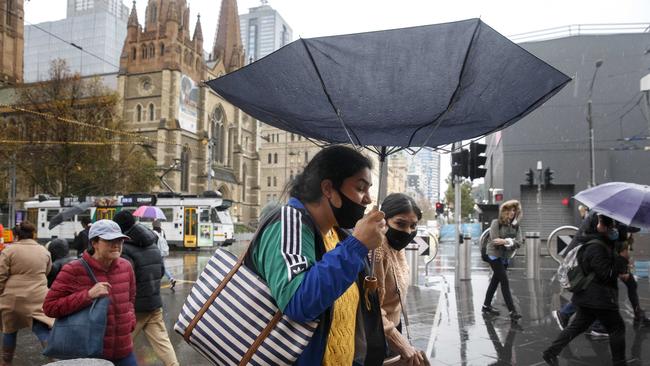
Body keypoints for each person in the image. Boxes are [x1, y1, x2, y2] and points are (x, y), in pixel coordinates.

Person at [245, 145, 387, 366]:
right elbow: (297, 302)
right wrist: (357, 245)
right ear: (328, 189)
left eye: (369, 189)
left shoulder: (338, 233)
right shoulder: (288, 223)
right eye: (360, 188)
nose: (367, 199)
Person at [44, 220, 137, 365]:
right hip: (91, 352)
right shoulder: (73, 269)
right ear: (94, 243)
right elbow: (50, 307)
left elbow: (130, 298)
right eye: (110, 240)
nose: (117, 245)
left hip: (123, 350)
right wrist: (87, 295)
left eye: (120, 240)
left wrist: (130, 320)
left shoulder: (126, 267)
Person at [542, 214, 629, 366]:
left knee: (576, 327)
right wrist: (621, 259)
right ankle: (619, 362)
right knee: (617, 328)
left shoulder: (598, 242)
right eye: (607, 225)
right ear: (600, 227)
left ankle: (550, 352)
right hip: (599, 297)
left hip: (587, 297)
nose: (612, 228)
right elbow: (605, 273)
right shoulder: (595, 246)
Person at [552, 212, 650, 333]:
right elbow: (600, 233)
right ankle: (592, 323)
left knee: (606, 287)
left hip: (595, 253)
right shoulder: (603, 214)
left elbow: (624, 232)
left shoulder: (612, 213)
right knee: (598, 289)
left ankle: (634, 315)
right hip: (590, 254)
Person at [113, 211, 178, 366]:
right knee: (162, 342)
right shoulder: (152, 243)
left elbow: (124, 279)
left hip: (135, 308)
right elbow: (161, 271)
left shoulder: (125, 249)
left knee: (119, 346)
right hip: (154, 303)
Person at [374, 193, 426, 365]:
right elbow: (372, 309)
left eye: (413, 225)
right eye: (400, 224)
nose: (407, 232)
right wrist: (399, 341)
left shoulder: (398, 247)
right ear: (384, 220)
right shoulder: (377, 251)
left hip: (395, 327)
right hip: (379, 335)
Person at [0, 221, 53, 364]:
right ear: (33, 234)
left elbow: (1, 275)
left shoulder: (9, 251)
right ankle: (54, 359)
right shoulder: (44, 251)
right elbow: (47, 271)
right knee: (41, 328)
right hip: (38, 296)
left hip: (12, 298)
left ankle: (6, 361)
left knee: (9, 329)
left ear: (16, 235)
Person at [482, 200, 522, 320]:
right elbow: (495, 241)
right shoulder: (496, 223)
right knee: (504, 281)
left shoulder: (516, 226)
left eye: (514, 210)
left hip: (505, 257)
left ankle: (486, 306)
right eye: (509, 210)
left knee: (495, 281)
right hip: (493, 255)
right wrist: (510, 242)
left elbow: (519, 242)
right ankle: (512, 311)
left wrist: (505, 241)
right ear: (504, 211)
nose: (512, 212)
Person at [152, 220, 176, 290]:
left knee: (156, 268)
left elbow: (153, 243)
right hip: (163, 252)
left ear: (153, 225)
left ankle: (156, 283)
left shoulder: (153, 233)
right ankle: (171, 279)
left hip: (156, 253)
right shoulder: (162, 232)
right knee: (162, 267)